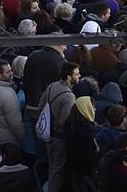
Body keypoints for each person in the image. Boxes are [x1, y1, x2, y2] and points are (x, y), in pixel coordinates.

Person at [37, 61, 80, 192]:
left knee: (52, 165)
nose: (79, 76)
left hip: (47, 134)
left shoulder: (52, 86)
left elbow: (41, 106)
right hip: (59, 139)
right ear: (68, 76)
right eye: (76, 74)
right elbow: (64, 122)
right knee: (57, 170)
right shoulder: (69, 96)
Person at [64, 97, 99, 192]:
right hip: (84, 175)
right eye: (92, 107)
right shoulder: (87, 131)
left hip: (72, 171)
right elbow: (88, 157)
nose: (94, 109)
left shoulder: (70, 124)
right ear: (85, 109)